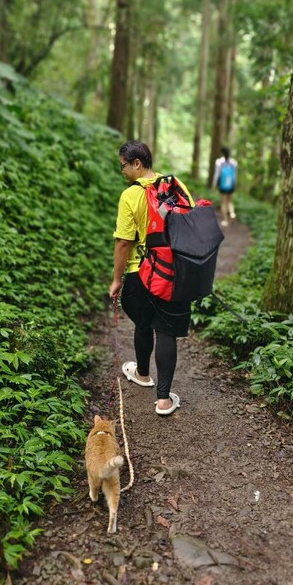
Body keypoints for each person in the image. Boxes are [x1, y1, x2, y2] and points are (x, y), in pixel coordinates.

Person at [108, 140, 194, 415]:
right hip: (172, 273)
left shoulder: (130, 196)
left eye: (123, 165)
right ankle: (164, 400)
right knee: (164, 329)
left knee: (144, 320)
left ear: (136, 163)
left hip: (139, 274)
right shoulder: (174, 185)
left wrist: (116, 279)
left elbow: (123, 242)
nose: (122, 171)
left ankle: (143, 374)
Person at [212, 146, 237, 227]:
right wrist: (234, 184)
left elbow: (217, 175)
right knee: (230, 201)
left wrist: (214, 185)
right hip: (231, 185)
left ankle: (225, 220)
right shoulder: (233, 162)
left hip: (222, 185)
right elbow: (234, 175)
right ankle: (232, 214)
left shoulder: (219, 162)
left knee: (223, 202)